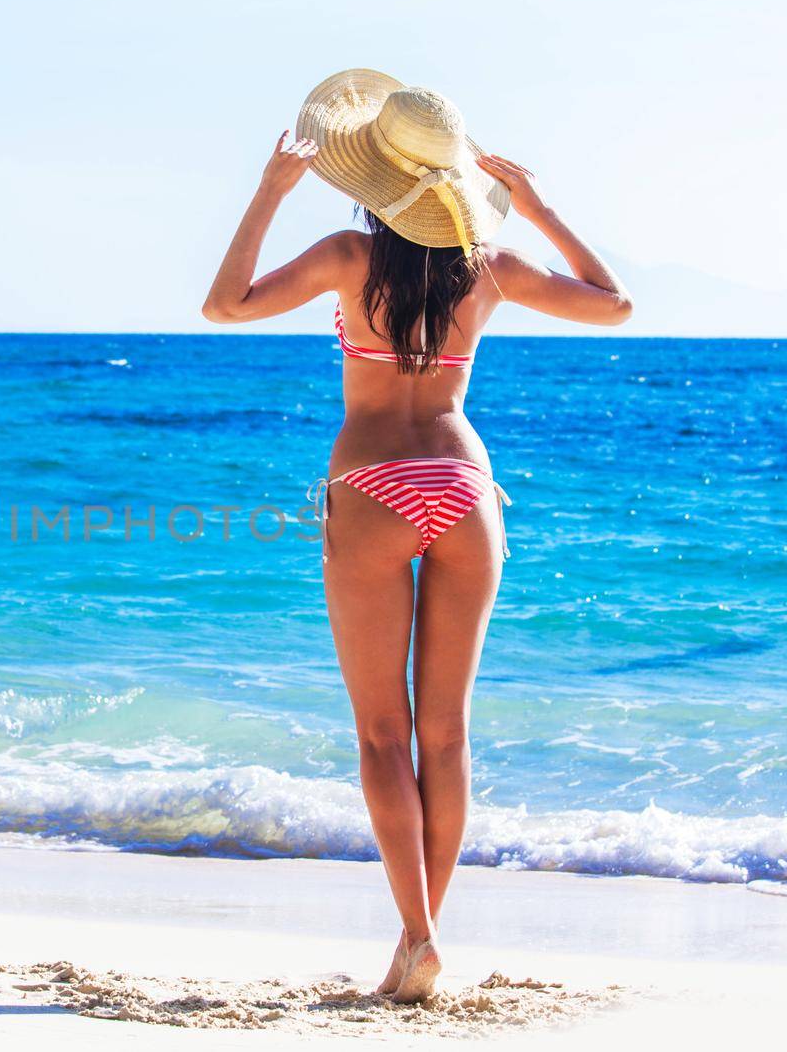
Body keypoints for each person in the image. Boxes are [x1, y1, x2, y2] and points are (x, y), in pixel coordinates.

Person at [201, 69, 631, 1003]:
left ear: (373, 181)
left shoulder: (349, 259)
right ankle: (418, 942)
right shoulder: (489, 269)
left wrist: (268, 193)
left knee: (382, 735)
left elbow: (223, 307)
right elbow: (614, 304)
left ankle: (419, 936)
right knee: (446, 735)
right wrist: (542, 208)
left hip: (372, 486)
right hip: (467, 487)